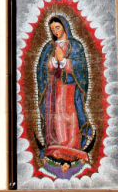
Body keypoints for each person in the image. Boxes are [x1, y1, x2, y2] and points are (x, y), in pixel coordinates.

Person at [35, 16, 94, 179]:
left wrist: (65, 61)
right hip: (53, 88)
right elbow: (42, 68)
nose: (55, 32)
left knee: (70, 115)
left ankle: (72, 146)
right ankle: (57, 146)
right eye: (52, 29)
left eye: (57, 28)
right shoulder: (49, 47)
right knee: (56, 116)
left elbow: (80, 67)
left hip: (69, 87)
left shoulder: (75, 45)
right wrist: (53, 61)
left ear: (65, 27)